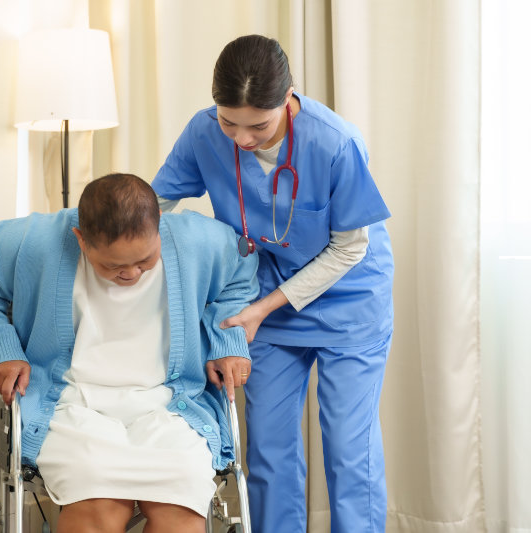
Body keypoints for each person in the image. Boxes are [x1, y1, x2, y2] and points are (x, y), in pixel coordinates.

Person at [152, 35, 394, 532]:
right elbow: (151, 205)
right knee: (266, 448)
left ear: (288, 98)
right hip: (266, 304)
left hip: (349, 301)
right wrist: (90, 232)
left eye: (258, 125)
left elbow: (351, 246)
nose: (241, 138)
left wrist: (264, 308)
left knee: (349, 448)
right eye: (228, 122)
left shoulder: (334, 143)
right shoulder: (203, 132)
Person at [0, 173, 259, 533]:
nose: (131, 273)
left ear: (160, 226)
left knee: (180, 509)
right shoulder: (40, 239)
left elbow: (240, 274)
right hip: (71, 406)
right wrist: (0, 344)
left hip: (170, 406)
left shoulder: (194, 239)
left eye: (145, 260)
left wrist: (226, 342)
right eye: (113, 265)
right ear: (81, 239)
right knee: (100, 509)